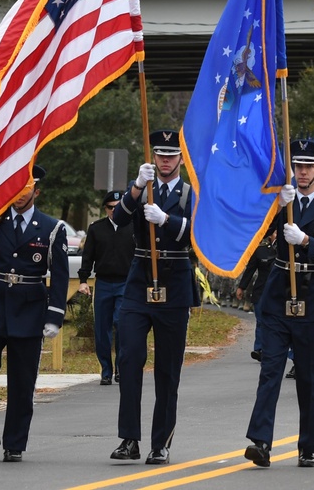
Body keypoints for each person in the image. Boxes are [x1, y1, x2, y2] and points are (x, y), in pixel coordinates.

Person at [244, 139, 314, 469]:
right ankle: (261, 441)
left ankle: (307, 445)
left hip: (313, 298)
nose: (302, 172)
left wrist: (305, 241)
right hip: (278, 298)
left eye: (309, 167)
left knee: (307, 377)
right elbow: (253, 230)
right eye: (298, 166)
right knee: (270, 371)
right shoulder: (280, 201)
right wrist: (275, 208)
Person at [0, 164, 69, 463]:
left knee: (22, 383)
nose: (20, 195)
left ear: (37, 191)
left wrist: (54, 315)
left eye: (26, 189)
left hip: (29, 310)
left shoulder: (51, 228)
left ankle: (15, 443)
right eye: (16, 188)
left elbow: (59, 277)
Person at [109, 129, 198, 466]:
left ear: (180, 159)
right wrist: (134, 187)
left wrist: (167, 219)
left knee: (167, 369)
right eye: (159, 154)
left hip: (174, 283)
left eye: (171, 155)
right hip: (139, 280)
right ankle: (129, 438)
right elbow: (117, 219)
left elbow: (198, 233)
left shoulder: (192, 194)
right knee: (129, 358)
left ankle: (160, 443)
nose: (164, 160)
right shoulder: (142, 189)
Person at [78, 190, 135, 386]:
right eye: (110, 207)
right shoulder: (96, 228)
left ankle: (120, 367)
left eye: (118, 207)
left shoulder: (132, 227)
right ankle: (105, 370)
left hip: (125, 283)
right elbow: (88, 257)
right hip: (103, 283)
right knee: (102, 328)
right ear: (105, 209)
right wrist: (83, 280)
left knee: (121, 324)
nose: (114, 211)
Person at [236, 229, 276, 362]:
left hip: (278, 292)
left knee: (274, 323)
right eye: (275, 232)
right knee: (261, 320)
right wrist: (242, 287)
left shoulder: (286, 250)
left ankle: (272, 348)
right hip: (261, 290)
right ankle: (259, 349)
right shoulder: (260, 249)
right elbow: (250, 269)